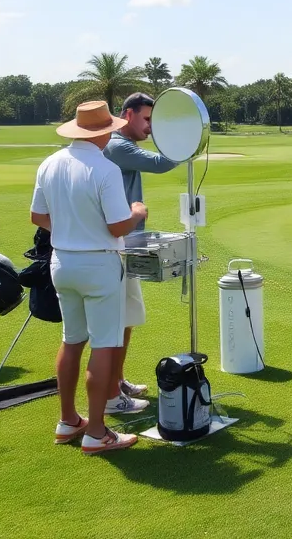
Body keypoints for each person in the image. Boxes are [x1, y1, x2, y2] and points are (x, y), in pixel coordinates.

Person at [30, 100, 150, 456]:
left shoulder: (49, 163)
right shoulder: (105, 168)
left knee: (72, 340)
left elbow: (38, 216)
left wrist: (71, 230)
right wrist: (137, 211)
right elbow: (118, 225)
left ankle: (68, 420)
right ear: (105, 131)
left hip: (62, 263)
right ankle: (96, 431)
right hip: (98, 265)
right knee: (104, 344)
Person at [102, 92, 179, 407]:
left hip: (125, 243)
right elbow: (162, 163)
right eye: (147, 119)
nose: (150, 126)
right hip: (116, 243)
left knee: (127, 317)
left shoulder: (122, 146)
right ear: (128, 115)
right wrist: (181, 140)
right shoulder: (118, 146)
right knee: (118, 319)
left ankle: (117, 382)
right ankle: (111, 392)